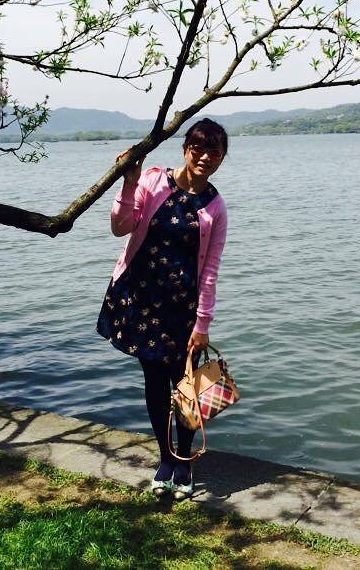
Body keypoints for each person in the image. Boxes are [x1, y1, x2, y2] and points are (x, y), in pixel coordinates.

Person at [96, 118, 228, 500]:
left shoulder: (215, 207)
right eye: (197, 148)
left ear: (221, 158)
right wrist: (129, 183)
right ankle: (166, 458)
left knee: (188, 385)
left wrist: (202, 323)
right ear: (185, 149)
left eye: (214, 151)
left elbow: (210, 271)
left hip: (183, 310)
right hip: (142, 302)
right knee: (154, 383)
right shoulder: (153, 181)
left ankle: (184, 459)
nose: (204, 157)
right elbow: (121, 227)